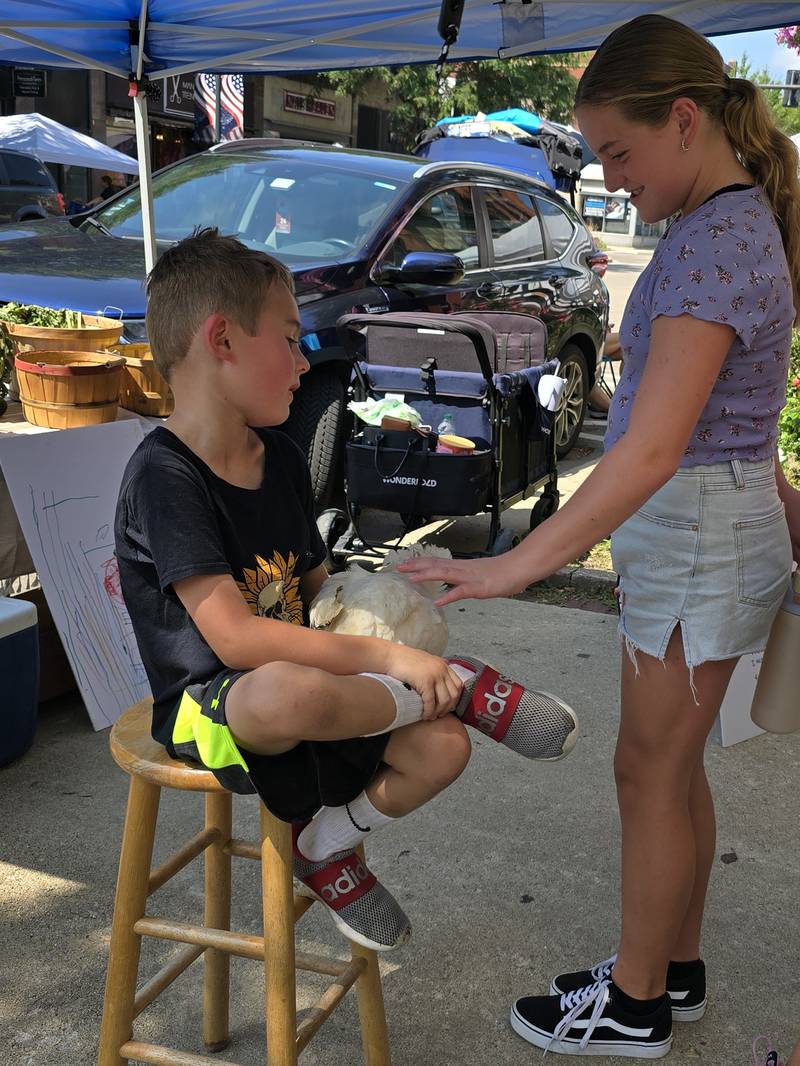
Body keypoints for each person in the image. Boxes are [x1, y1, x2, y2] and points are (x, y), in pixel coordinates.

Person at [400, 14, 800, 1058]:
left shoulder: (715, 235)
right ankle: (670, 971)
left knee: (648, 770)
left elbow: (650, 451)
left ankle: (630, 1003)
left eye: (616, 152)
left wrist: (514, 564)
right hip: (706, 532)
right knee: (671, 767)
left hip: (698, 539)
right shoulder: (720, 221)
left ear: (681, 121)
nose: (609, 179)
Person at [113, 227, 579, 954]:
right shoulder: (166, 476)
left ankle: (324, 847)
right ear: (223, 339)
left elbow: (320, 591)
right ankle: (462, 683)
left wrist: (387, 607)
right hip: (217, 706)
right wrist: (394, 663)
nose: (304, 363)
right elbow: (234, 641)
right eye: (292, 341)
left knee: (443, 750)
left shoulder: (286, 458)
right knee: (281, 691)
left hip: (327, 695)